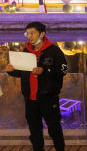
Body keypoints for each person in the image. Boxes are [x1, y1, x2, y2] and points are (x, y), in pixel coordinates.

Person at [5, 22, 67, 151]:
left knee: (54, 129)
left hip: (48, 98)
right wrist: (11, 70)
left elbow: (63, 71)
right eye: (27, 33)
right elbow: (22, 72)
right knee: (34, 132)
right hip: (30, 99)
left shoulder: (54, 50)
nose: (29, 36)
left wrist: (45, 71)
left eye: (32, 33)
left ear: (42, 34)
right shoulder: (26, 51)